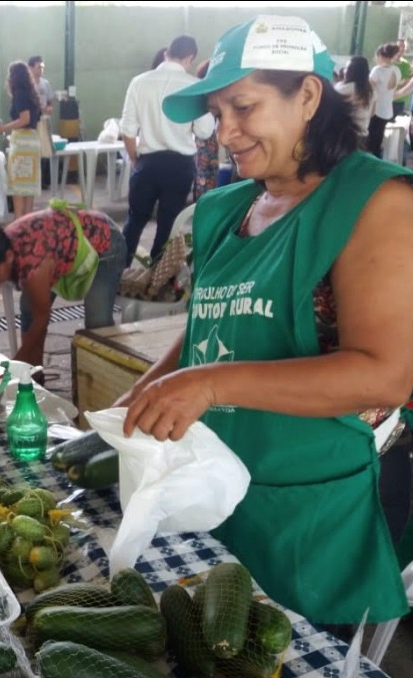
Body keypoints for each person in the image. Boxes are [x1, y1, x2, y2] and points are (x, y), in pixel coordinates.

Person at [120, 15, 413, 627]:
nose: (225, 131)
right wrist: (146, 390)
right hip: (217, 486)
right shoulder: (227, 208)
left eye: (243, 107)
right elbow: (209, 326)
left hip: (316, 508)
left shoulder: (374, 203)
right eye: (217, 113)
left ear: (307, 97)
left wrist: (209, 385)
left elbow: (386, 376)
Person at [0, 206, 127, 368]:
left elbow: (42, 318)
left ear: (9, 257)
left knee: (97, 322)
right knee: (29, 309)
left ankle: (106, 376)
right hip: (60, 247)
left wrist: (17, 365)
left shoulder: (33, 263)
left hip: (104, 241)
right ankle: (35, 373)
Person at [120, 35, 215, 266]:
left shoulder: (139, 82)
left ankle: (116, 271)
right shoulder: (193, 87)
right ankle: (156, 279)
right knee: (168, 223)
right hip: (179, 167)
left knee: (135, 219)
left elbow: (128, 130)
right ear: (190, 57)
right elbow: (205, 130)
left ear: (166, 54)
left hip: (147, 163)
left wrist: (135, 160)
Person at [0, 61, 43, 221]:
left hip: (21, 143)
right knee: (29, 187)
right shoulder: (32, 93)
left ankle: (18, 223)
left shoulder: (20, 93)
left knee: (18, 188)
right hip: (33, 142)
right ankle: (27, 225)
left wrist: (3, 128)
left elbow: (24, 118)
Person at [193, 59, 220, 201]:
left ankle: (201, 204)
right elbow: (206, 129)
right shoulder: (208, 96)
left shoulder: (203, 95)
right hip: (206, 141)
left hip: (202, 143)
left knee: (202, 176)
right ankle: (203, 205)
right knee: (206, 177)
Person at [368, 42, 400, 158]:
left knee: (370, 141)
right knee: (378, 139)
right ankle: (377, 160)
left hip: (375, 110)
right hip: (387, 110)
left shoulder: (377, 71)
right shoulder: (396, 70)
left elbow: (369, 90)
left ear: (380, 55)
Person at [28, 55, 55, 190]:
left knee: (45, 150)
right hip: (32, 122)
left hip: (44, 120)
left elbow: (50, 101)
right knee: (34, 150)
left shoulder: (45, 84)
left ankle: (45, 180)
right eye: (39, 67)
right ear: (31, 68)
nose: (41, 70)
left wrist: (49, 108)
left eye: (42, 67)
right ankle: (35, 179)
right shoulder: (27, 85)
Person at [334, 56, 374, 141]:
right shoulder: (371, 90)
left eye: (347, 68)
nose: (344, 71)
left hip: (344, 135)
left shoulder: (343, 89)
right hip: (363, 135)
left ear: (352, 71)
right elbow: (372, 112)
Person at [392, 39, 412, 118]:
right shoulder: (388, 63)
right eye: (399, 46)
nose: (401, 49)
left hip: (401, 100)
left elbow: (409, 79)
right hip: (388, 100)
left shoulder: (406, 64)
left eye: (403, 47)